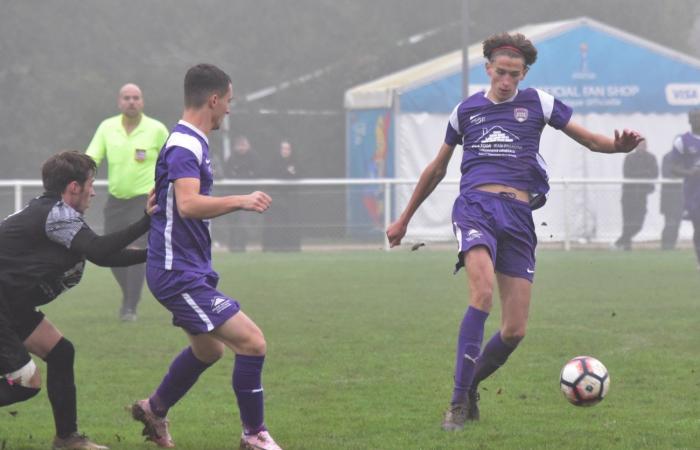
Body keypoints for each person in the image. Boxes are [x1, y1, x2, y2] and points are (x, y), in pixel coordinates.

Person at [385, 32, 643, 431]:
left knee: (515, 330)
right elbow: (436, 169)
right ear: (488, 68)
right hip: (475, 208)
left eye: (514, 75)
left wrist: (617, 147)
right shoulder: (465, 111)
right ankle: (456, 403)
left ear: (524, 74)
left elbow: (590, 140)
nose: (506, 81)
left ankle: (469, 386)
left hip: (519, 215)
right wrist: (403, 219)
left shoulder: (538, 102)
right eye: (500, 73)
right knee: (482, 293)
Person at [129, 64, 283, 450]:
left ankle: (155, 407)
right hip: (175, 272)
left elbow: (169, 198)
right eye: (228, 101)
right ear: (213, 99)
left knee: (209, 349)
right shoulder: (186, 144)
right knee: (252, 342)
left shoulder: (189, 141)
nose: (229, 110)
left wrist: (157, 206)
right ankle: (254, 435)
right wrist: (242, 200)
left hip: (188, 267)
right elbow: (188, 204)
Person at [0, 151, 156, 450]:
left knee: (60, 352)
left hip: (10, 304)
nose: (94, 192)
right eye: (90, 184)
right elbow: (99, 250)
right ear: (74, 187)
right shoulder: (56, 215)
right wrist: (145, 222)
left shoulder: (57, 216)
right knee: (24, 382)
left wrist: (155, 255)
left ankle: (67, 439)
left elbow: (100, 254)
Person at [86, 83, 169, 321]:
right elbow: (91, 158)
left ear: (142, 101)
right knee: (109, 252)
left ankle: (130, 307)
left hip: (145, 200)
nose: (131, 101)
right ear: (119, 102)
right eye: (127, 98)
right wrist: (80, 178)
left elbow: (171, 159)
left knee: (136, 249)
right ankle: (128, 297)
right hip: (116, 200)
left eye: (136, 97)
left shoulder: (156, 129)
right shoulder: (107, 127)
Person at [613, 140, 658, 250]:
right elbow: (628, 174)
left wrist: (642, 174)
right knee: (627, 222)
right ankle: (626, 246)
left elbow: (654, 174)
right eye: (640, 145)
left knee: (638, 224)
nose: (642, 147)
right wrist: (644, 173)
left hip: (642, 195)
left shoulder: (651, 158)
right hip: (628, 195)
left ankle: (619, 242)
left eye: (644, 145)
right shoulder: (629, 158)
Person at [670, 108, 700, 268]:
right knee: (699, 226)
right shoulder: (682, 141)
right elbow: (673, 168)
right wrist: (690, 172)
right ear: (689, 120)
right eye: (693, 117)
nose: (696, 120)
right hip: (694, 192)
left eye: (698, 117)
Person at [262, 140, 302, 251]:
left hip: (291, 200)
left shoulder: (296, 162)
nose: (285, 151)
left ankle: (292, 248)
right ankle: (274, 247)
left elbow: (299, 174)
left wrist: (288, 173)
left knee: (292, 223)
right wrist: (286, 172)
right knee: (277, 223)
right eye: (283, 148)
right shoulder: (273, 163)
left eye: (288, 148)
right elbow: (273, 175)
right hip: (277, 200)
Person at [224, 135, 260, 252]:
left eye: (243, 145)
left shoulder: (254, 157)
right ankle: (233, 247)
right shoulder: (231, 158)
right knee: (233, 223)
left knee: (244, 224)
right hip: (233, 195)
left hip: (247, 196)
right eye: (239, 145)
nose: (241, 148)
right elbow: (227, 173)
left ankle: (242, 247)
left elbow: (256, 174)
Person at [660, 149, 684, 250]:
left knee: (677, 223)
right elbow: (667, 174)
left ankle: (671, 245)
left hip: (681, 198)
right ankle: (666, 245)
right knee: (669, 223)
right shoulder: (667, 157)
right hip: (669, 198)